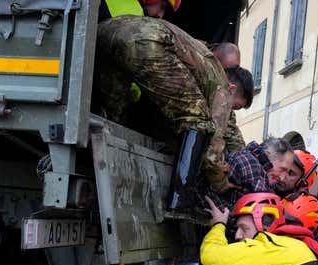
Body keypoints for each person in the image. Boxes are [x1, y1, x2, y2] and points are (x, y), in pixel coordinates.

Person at [95, 16, 254, 211]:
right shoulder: (222, 87)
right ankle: (180, 202)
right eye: (235, 107)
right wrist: (220, 182)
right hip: (148, 43)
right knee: (198, 122)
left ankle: (93, 166)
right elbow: (212, 149)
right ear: (231, 88)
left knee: (114, 116)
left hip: (104, 33)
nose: (231, 111)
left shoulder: (197, 52)